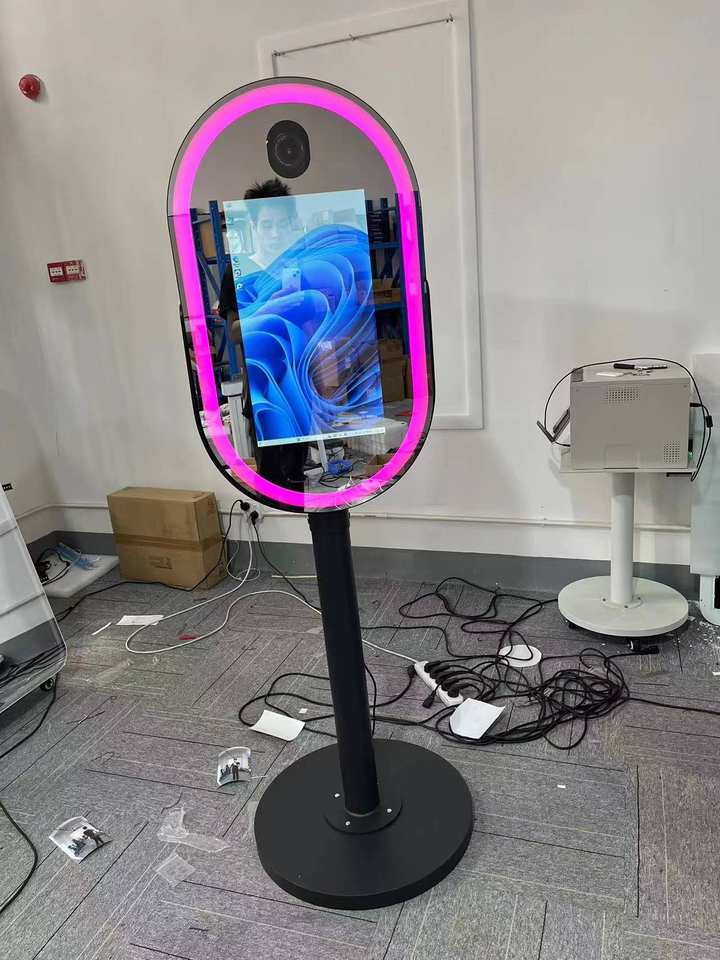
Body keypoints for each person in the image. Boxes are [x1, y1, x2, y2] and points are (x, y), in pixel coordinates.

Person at [217, 178, 307, 491]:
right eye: (267, 225)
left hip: (297, 387)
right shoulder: (238, 272)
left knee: (297, 480)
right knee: (272, 483)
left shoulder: (297, 266)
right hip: (262, 392)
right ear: (254, 226)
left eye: (282, 224)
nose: (275, 233)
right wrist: (270, 309)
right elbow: (234, 333)